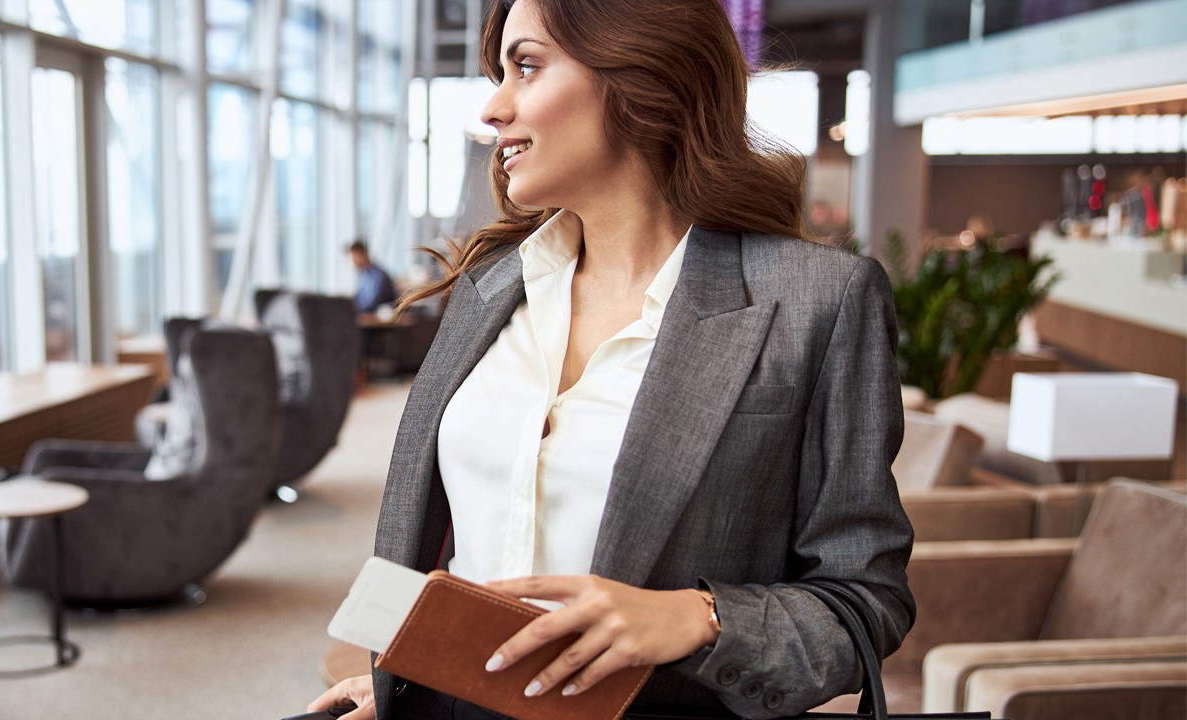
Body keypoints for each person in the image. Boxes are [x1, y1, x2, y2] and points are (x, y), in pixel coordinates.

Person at [308, 0, 913, 718]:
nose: (493, 108)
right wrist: (399, 676)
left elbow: (863, 605)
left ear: (639, 71)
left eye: (526, 66)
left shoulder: (819, 301)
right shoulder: (488, 287)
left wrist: (696, 618)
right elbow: (448, 542)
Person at [350, 240, 399, 314]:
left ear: (363, 254)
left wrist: (356, 308)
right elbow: (357, 300)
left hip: (381, 317)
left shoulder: (379, 276)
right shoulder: (363, 276)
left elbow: (372, 303)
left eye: (355, 258)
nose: (354, 263)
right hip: (366, 316)